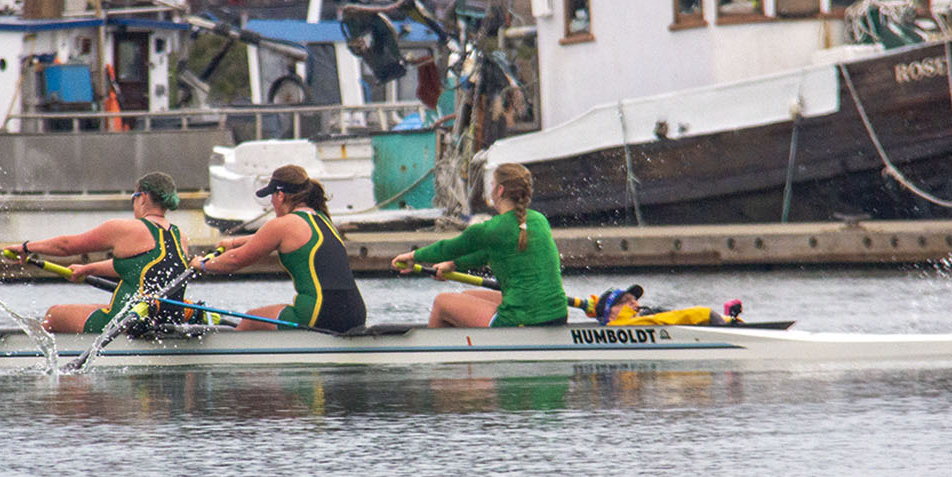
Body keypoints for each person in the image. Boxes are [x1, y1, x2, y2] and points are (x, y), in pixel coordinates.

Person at [391, 162, 566, 328]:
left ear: (500, 190)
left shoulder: (491, 229)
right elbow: (487, 254)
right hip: (557, 314)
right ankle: (467, 353)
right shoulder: (539, 219)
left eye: (491, 185)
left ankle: (432, 356)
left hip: (522, 320)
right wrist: (453, 265)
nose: (490, 191)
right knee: (467, 296)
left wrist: (413, 257)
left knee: (442, 302)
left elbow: (448, 248)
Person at [195, 165, 366, 332]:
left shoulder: (283, 224)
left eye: (272, 195)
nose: (271, 201)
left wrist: (201, 265)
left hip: (318, 313)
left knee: (250, 319)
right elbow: (264, 239)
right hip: (355, 312)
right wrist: (233, 243)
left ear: (281, 195)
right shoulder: (322, 219)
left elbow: (235, 260)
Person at [18, 171, 191, 334]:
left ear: (143, 197)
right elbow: (140, 266)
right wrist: (89, 269)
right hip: (167, 321)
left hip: (127, 323)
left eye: (134, 198)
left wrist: (27, 247)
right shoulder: (180, 236)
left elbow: (66, 246)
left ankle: (35, 357)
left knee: (54, 315)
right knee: (95, 307)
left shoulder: (125, 228)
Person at [582, 284, 744, 326]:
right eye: (624, 302)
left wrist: (729, 320)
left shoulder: (642, 318)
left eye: (634, 299)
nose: (634, 303)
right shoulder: (623, 324)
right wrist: (708, 315)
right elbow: (700, 313)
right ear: (610, 313)